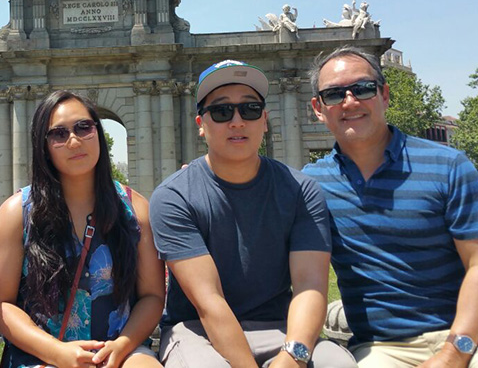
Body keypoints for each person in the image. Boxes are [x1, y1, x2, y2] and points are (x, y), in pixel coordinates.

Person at [302, 46, 478, 368]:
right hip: (382, 348)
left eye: (363, 88)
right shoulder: (310, 186)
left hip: (472, 335)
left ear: (384, 95)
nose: (350, 101)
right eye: (334, 94)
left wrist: (455, 353)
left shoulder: (449, 166)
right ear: (318, 108)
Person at [149, 60, 356, 368]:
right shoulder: (173, 196)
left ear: (265, 120)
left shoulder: (302, 189)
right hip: (198, 330)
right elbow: (209, 303)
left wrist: (293, 358)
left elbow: (310, 287)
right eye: (221, 112)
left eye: (250, 110)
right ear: (201, 125)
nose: (237, 121)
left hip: (281, 328)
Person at [0, 90, 164, 368]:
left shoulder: (135, 209)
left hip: (120, 349)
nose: (74, 140)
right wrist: (57, 353)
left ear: (98, 133)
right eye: (58, 134)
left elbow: (152, 295)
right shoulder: (15, 214)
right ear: (42, 145)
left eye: (84, 127)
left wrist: (122, 345)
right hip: (41, 355)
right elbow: (0, 304)